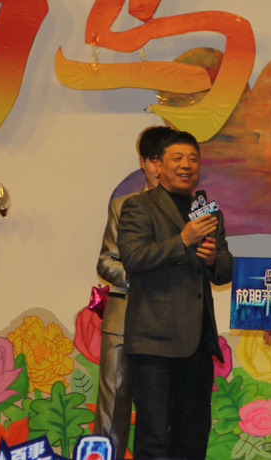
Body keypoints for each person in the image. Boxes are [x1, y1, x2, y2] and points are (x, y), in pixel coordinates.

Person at [117, 129, 233, 460]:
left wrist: (211, 260)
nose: (186, 165)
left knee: (193, 438)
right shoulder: (138, 206)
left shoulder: (208, 210)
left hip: (198, 344)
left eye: (193, 159)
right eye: (177, 158)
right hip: (154, 343)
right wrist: (182, 240)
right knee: (153, 438)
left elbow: (226, 267)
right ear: (158, 165)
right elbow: (133, 259)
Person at [94, 125, 174, 458]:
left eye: (163, 159)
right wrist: (141, 275)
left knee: (163, 411)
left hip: (168, 323)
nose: (158, 167)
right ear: (142, 162)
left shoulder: (187, 211)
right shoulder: (123, 205)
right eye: (152, 159)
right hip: (123, 320)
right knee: (112, 408)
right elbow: (105, 262)